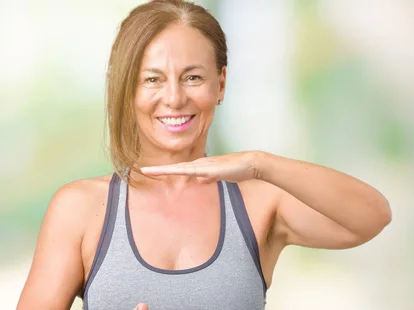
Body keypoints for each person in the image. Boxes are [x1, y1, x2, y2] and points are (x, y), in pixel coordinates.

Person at [16, 0, 391, 309]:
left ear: (220, 84)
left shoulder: (258, 202)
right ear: (127, 90)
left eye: (193, 77)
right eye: (153, 79)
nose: (175, 98)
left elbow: (372, 216)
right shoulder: (80, 209)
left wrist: (260, 163)